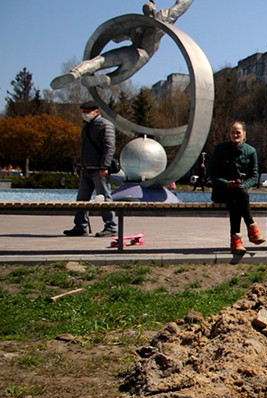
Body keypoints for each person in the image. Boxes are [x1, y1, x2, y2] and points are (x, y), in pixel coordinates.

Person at [51, 0, 194, 89]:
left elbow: (117, 39)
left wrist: (123, 29)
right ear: (154, 10)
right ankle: (105, 81)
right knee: (119, 76)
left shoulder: (136, 25)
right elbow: (181, 6)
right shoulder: (162, 18)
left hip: (129, 51)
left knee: (100, 61)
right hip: (141, 56)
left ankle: (76, 72)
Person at [208, 121, 265, 254]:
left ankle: (236, 241)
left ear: (244, 133)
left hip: (238, 192)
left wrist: (243, 185)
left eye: (238, 132)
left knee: (236, 200)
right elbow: (212, 175)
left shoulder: (251, 151)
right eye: (232, 132)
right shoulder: (220, 149)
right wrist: (225, 183)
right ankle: (252, 229)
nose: (235, 135)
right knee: (239, 196)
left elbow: (253, 176)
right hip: (221, 191)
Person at [64, 100, 118, 237]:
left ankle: (111, 226)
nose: (85, 114)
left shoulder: (105, 125)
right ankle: (80, 226)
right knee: (82, 199)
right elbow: (84, 149)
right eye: (84, 112)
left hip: (99, 169)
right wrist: (80, 164)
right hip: (86, 168)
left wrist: (104, 166)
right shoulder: (86, 126)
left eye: (88, 112)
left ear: (96, 112)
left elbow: (109, 147)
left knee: (104, 198)